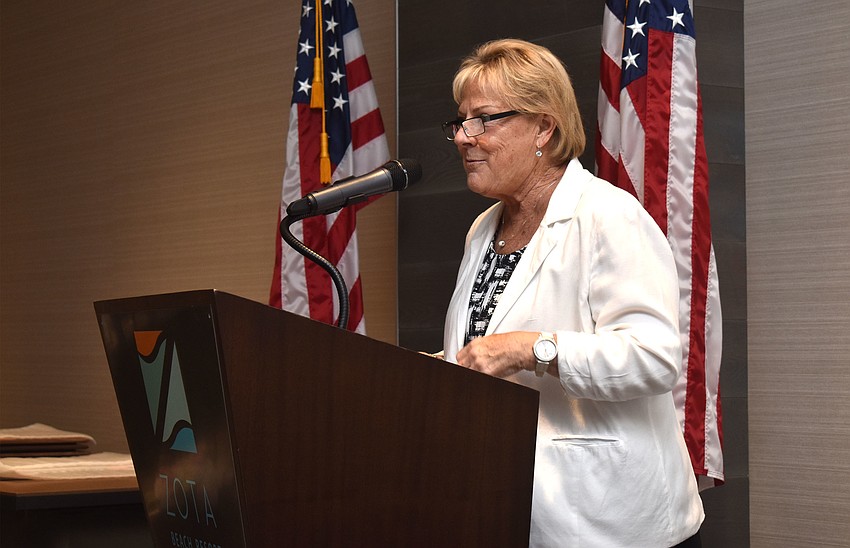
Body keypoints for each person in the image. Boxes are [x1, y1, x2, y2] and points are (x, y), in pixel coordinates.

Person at [439, 39, 704, 547]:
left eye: (484, 120)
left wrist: (531, 348)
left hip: (610, 518)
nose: (464, 138)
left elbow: (655, 357)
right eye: (460, 121)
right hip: (509, 503)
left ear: (544, 127)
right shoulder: (483, 229)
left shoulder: (609, 216)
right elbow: (485, 345)